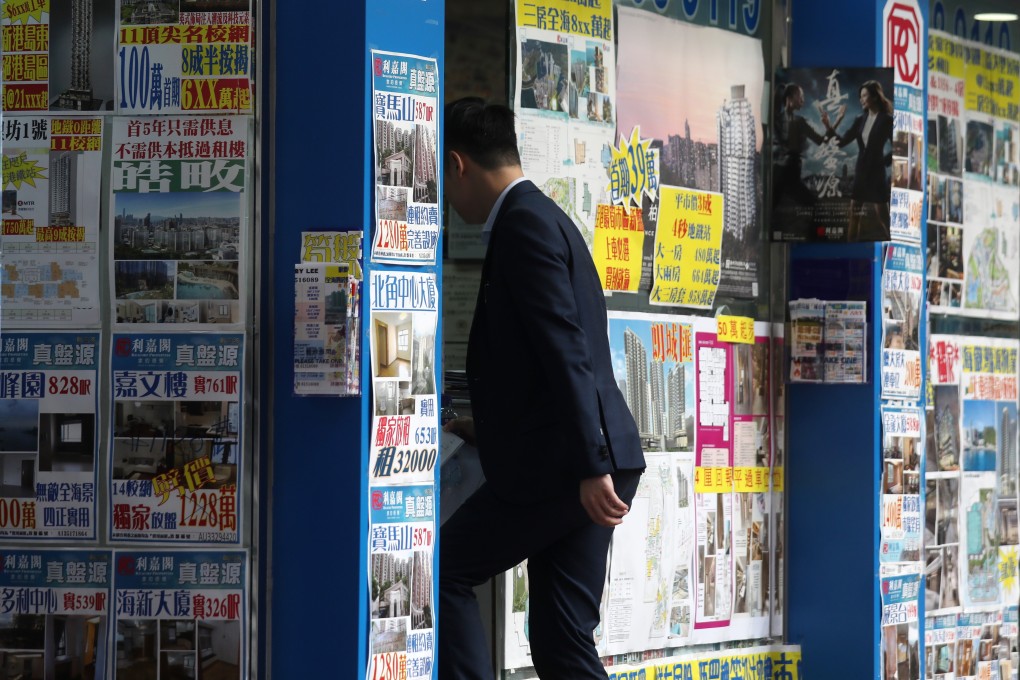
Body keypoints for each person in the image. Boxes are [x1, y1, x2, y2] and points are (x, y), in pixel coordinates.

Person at [439, 97, 645, 680]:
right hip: (585, 459)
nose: (451, 205)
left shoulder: (523, 225)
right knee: (560, 636)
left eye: (446, 185)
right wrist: (494, 429)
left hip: (571, 468)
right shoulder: (549, 216)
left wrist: (589, 464)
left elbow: (565, 353)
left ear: (458, 165)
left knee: (447, 566)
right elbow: (547, 355)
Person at [826, 80, 894, 241]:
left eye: (864, 95)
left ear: (875, 97)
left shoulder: (887, 120)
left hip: (877, 173)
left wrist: (883, 162)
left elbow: (897, 148)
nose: (861, 99)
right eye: (860, 96)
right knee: (854, 215)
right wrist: (833, 124)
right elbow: (841, 142)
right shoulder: (860, 119)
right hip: (861, 171)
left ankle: (895, 245)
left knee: (883, 217)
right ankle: (850, 252)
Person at [771, 83, 832, 211]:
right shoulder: (798, 121)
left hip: (779, 171)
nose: (803, 101)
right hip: (790, 172)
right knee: (815, 207)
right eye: (800, 96)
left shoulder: (778, 119)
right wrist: (828, 126)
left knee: (772, 206)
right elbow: (822, 141)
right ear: (791, 97)